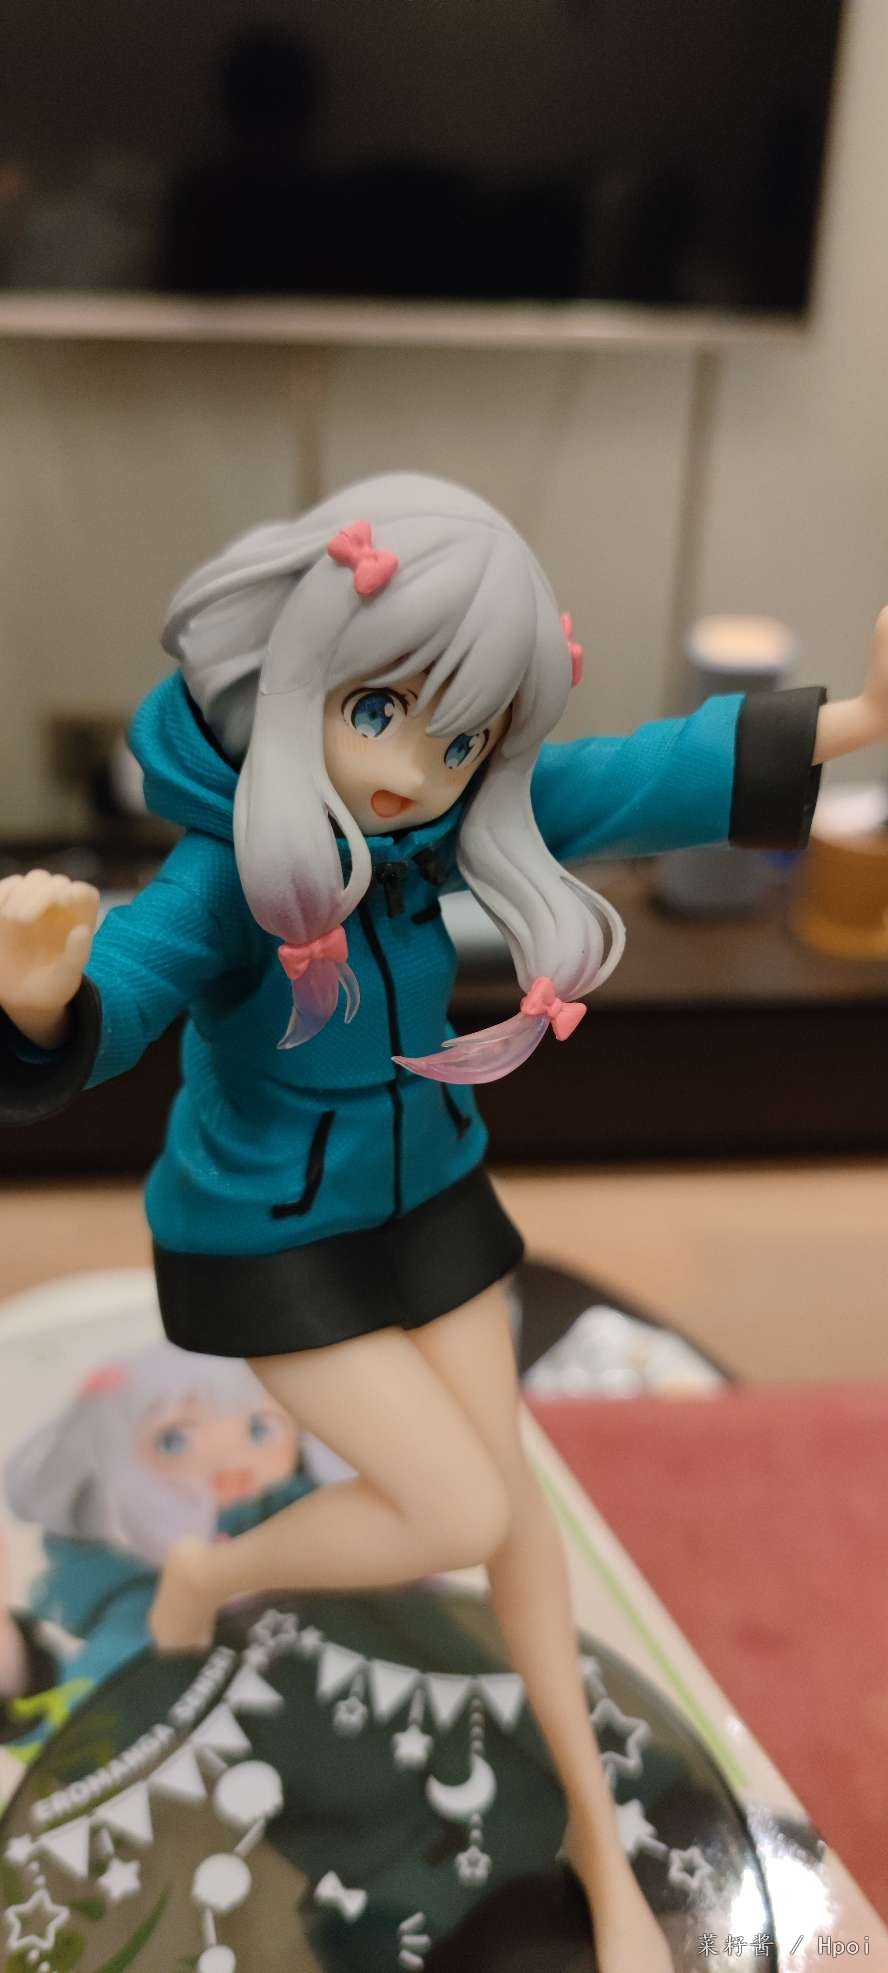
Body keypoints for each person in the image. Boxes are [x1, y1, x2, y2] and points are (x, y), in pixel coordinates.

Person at [1, 471, 886, 1969]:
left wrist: (857, 721)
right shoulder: (234, 874)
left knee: (515, 1510)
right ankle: (212, 1570)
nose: (418, 771)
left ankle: (598, 1839)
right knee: (462, 1508)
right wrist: (40, 1000)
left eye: (462, 736)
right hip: (270, 1238)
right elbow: (133, 979)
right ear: (303, 679)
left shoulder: (454, 828)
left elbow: (644, 773)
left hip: (429, 1196)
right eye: (379, 711)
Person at [0, 1339, 316, 1766]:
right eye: (174, 1441)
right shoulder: (137, 1598)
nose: (233, 1463)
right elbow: (82, 1746)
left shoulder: (323, 1516)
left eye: (260, 1430)